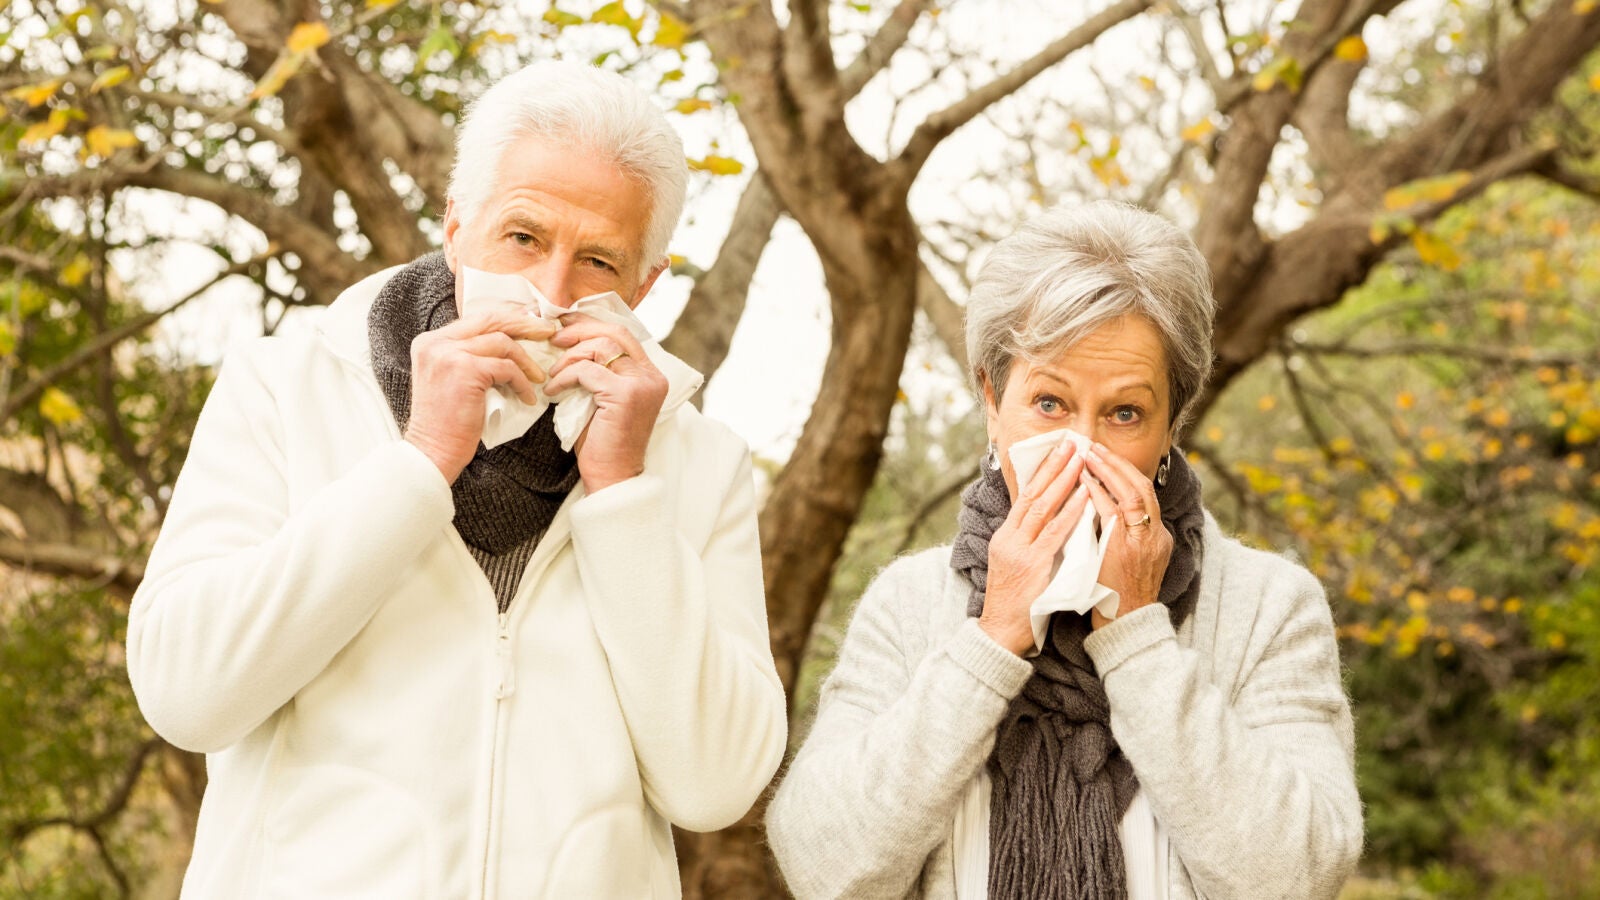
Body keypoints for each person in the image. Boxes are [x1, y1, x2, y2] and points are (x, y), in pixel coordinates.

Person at [126, 60, 786, 898]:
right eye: (522, 238)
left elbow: (715, 787)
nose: (550, 292)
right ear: (454, 227)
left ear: (646, 286)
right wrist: (420, 460)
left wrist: (622, 491)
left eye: (598, 263)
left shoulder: (699, 462)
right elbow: (186, 694)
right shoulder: (285, 385)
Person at [765, 201, 1362, 898]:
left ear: (1173, 423)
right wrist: (990, 642)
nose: (1082, 451)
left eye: (1125, 413)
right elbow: (822, 867)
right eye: (1049, 403)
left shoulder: (1268, 606)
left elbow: (1300, 876)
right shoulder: (910, 603)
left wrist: (1138, 636)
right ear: (993, 400)